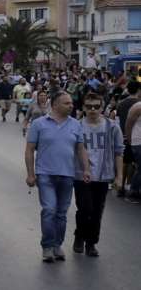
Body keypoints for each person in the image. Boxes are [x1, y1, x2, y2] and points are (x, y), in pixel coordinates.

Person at [25, 92, 90, 262]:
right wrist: (30, 174)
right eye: (67, 103)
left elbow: (81, 149)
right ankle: (47, 246)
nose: (71, 105)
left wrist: (86, 169)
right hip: (45, 174)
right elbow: (30, 149)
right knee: (49, 210)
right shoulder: (39, 124)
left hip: (67, 175)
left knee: (61, 213)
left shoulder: (76, 125)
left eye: (71, 103)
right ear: (55, 105)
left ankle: (57, 245)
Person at [71, 92, 124, 257]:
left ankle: (91, 243)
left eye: (96, 106)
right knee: (85, 208)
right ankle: (79, 236)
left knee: (97, 211)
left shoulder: (112, 126)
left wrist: (119, 176)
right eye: (89, 106)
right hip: (81, 175)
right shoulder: (76, 126)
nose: (93, 110)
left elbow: (118, 152)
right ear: (83, 108)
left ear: (102, 107)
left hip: (103, 175)